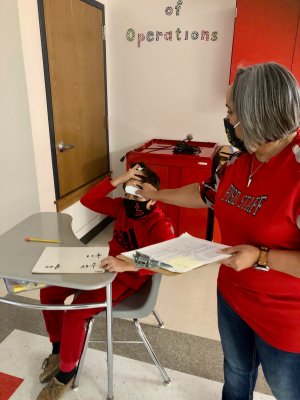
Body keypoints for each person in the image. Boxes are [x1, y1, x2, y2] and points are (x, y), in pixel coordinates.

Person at [139, 62, 300, 400]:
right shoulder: (241, 158)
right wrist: (157, 195)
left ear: (257, 113)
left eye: (231, 111)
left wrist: (263, 257)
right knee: (236, 373)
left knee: (288, 389)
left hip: (286, 317)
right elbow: (206, 193)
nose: (227, 120)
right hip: (233, 297)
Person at [36, 162, 174, 400]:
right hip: (103, 265)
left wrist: (128, 264)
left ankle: (67, 372)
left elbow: (168, 263)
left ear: (153, 198)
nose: (132, 199)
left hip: (127, 279)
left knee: (76, 312)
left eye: (139, 194)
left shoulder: (159, 225)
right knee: (49, 293)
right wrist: (121, 179)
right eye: (129, 192)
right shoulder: (122, 207)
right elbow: (89, 200)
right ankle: (58, 351)